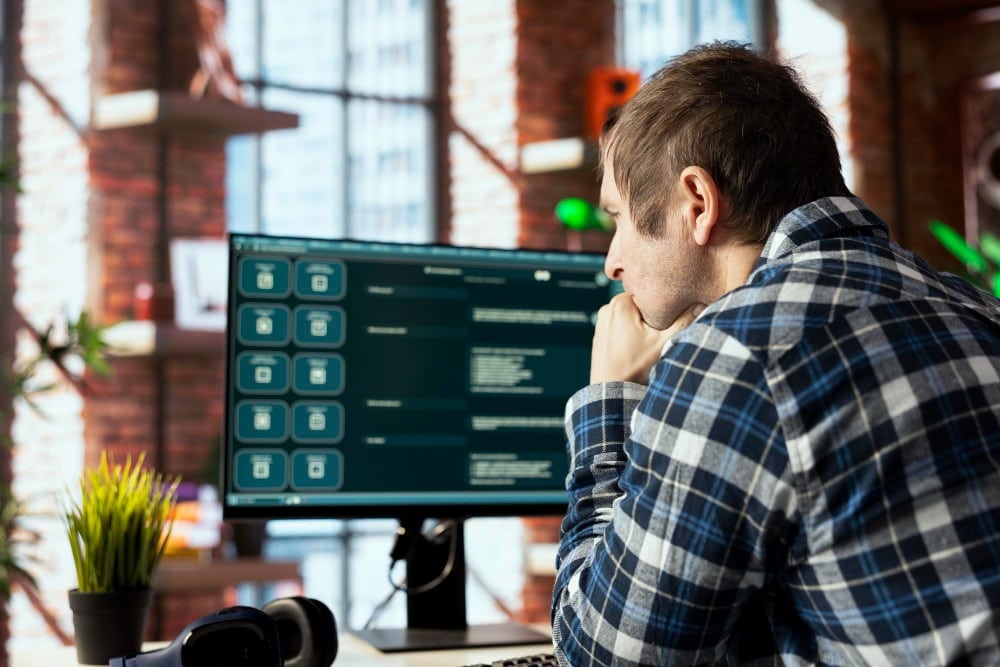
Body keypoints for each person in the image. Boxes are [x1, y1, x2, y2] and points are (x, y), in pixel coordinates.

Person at [552, 41, 1000, 666]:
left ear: (698, 202)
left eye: (620, 217)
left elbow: (608, 655)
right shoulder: (976, 306)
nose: (612, 260)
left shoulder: (738, 351)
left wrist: (609, 405)